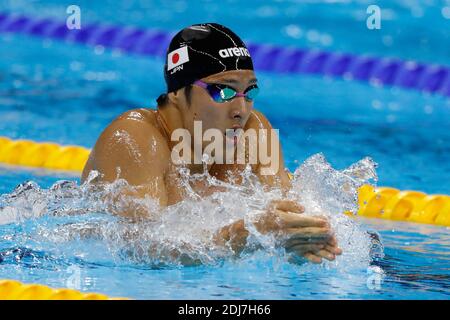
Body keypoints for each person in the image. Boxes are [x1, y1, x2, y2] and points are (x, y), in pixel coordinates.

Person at [81, 23, 342, 264]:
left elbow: (285, 212)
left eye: (249, 92)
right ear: (176, 92)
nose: (241, 110)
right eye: (223, 91)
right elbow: (140, 250)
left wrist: (305, 237)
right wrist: (240, 235)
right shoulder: (135, 138)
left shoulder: (253, 131)